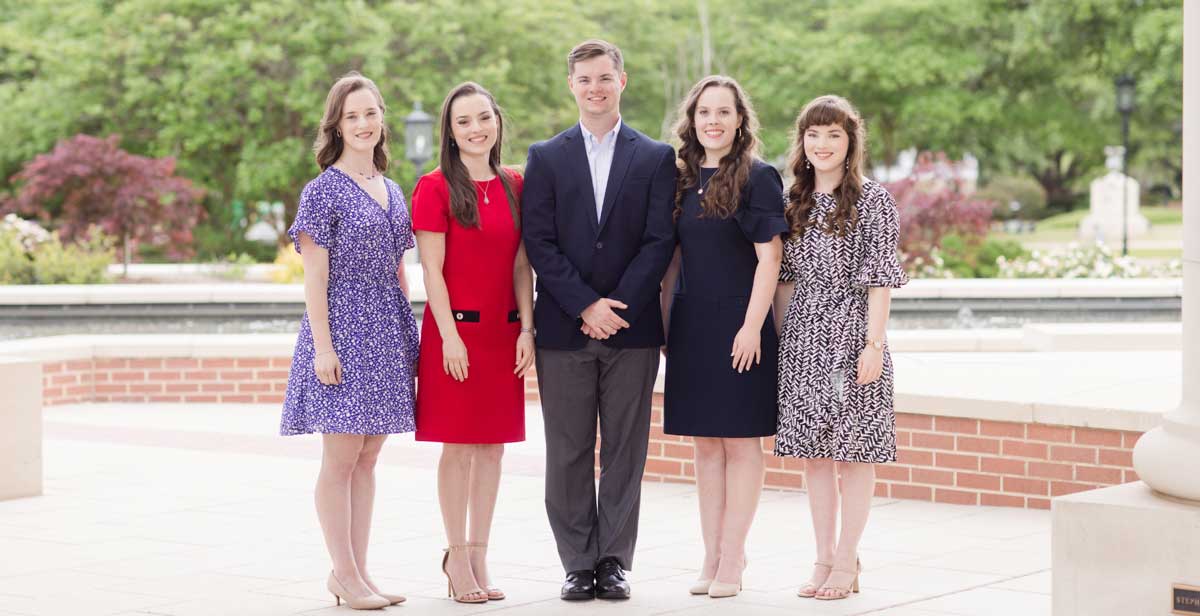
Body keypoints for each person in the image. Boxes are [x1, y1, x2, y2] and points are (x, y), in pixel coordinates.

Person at [521, 39, 676, 601]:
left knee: (624, 450)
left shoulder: (656, 158)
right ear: (572, 86)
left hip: (632, 332)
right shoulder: (546, 156)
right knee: (566, 450)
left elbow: (659, 242)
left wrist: (616, 309)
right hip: (563, 329)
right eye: (585, 79)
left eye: (605, 77)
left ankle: (613, 560)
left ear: (622, 81)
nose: (595, 88)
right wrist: (585, 304)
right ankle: (576, 562)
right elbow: (538, 241)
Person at [280, 72, 418, 610]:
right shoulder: (322, 191)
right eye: (351, 116)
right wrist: (323, 346)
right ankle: (343, 573)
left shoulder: (392, 188)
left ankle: (360, 573)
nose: (363, 124)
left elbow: (400, 269)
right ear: (337, 125)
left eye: (370, 113)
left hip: (387, 327)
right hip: (342, 330)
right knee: (340, 458)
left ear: (382, 119)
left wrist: (410, 336)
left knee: (368, 459)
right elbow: (313, 278)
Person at [773, 95, 909, 601]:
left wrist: (874, 345)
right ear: (802, 142)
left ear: (850, 141)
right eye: (813, 134)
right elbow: (783, 279)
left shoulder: (873, 200)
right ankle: (823, 556)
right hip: (803, 339)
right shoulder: (792, 201)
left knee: (853, 453)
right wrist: (784, 341)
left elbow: (879, 281)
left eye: (833, 134)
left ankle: (848, 558)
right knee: (813, 457)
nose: (822, 144)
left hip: (854, 334)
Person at [659, 75, 785, 599]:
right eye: (704, 112)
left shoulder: (759, 177)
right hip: (692, 324)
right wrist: (665, 329)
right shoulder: (681, 180)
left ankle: (734, 557)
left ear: (740, 120)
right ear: (692, 120)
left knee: (740, 442)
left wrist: (752, 327)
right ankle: (711, 554)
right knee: (706, 447)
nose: (713, 120)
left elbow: (770, 258)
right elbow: (672, 260)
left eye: (724, 112)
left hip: (742, 324)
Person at [411, 81, 533, 604]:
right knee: (458, 448)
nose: (476, 128)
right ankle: (456, 555)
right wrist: (449, 337)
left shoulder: (515, 184)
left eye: (484, 117)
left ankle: (481, 553)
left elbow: (522, 264)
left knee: (493, 450)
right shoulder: (434, 186)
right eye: (464, 121)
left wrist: (528, 328)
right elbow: (431, 272)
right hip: (454, 334)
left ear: (497, 121)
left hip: (504, 334)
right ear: (450, 131)